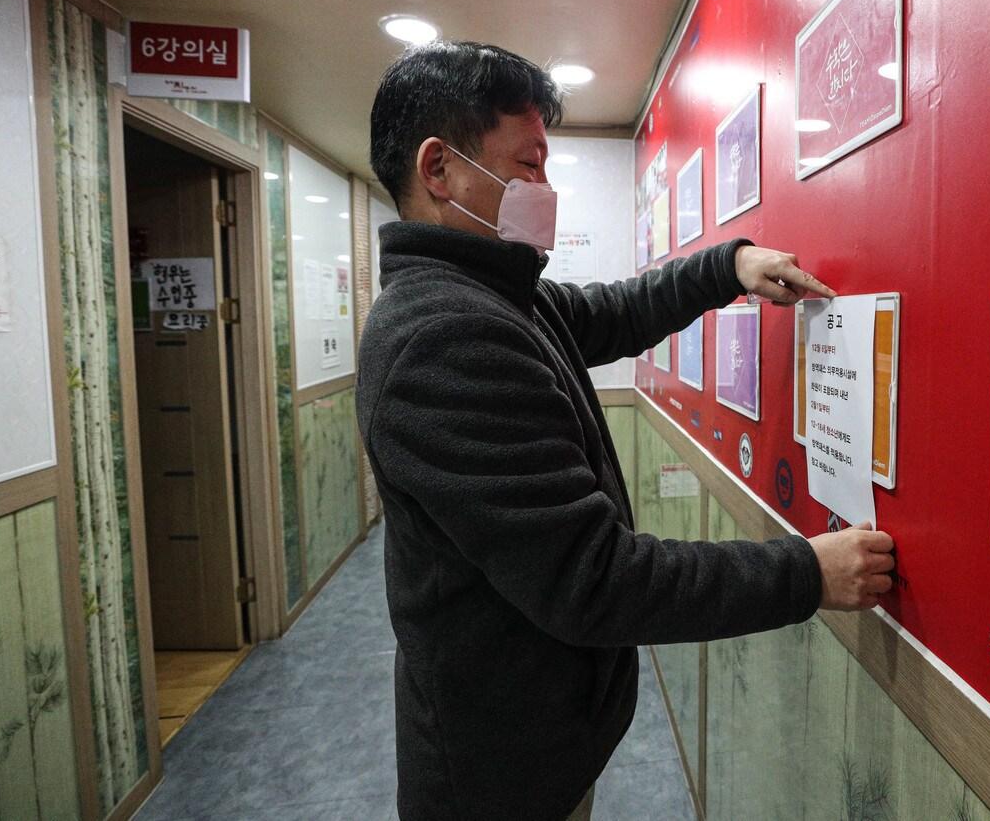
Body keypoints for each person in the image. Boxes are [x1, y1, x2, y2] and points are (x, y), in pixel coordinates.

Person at [358, 40, 896, 821]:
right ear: (438, 169)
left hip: (534, 739)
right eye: (529, 163)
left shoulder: (495, 294)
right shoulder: (441, 338)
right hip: (496, 777)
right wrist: (807, 574)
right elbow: (595, 579)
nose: (545, 188)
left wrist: (728, 267)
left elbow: (612, 312)